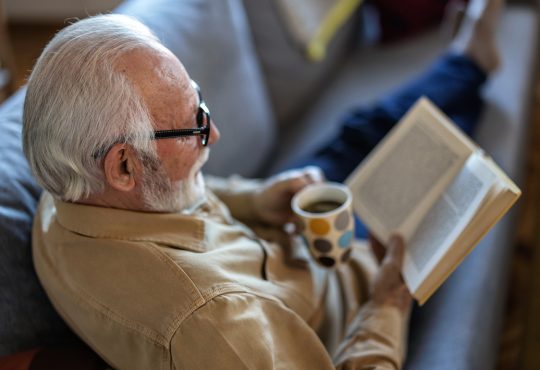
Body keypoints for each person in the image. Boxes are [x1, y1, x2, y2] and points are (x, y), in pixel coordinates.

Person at [22, 0, 502, 368]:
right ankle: (471, 68)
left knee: (358, 131)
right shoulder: (220, 328)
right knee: (434, 170)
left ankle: (469, 61)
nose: (214, 134)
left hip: (282, 239)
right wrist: (387, 306)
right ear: (123, 168)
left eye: (201, 105)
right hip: (352, 282)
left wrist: (259, 199)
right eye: (194, 127)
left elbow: (172, 199)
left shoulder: (66, 185)